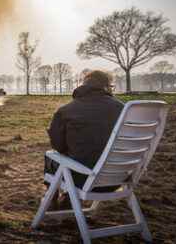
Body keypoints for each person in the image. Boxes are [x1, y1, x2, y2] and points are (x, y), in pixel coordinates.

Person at [45, 70, 124, 208]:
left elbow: (58, 146)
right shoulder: (122, 109)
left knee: (51, 157)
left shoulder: (66, 111)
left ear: (83, 86)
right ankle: (68, 198)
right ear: (106, 87)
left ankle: (52, 197)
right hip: (118, 179)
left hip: (82, 180)